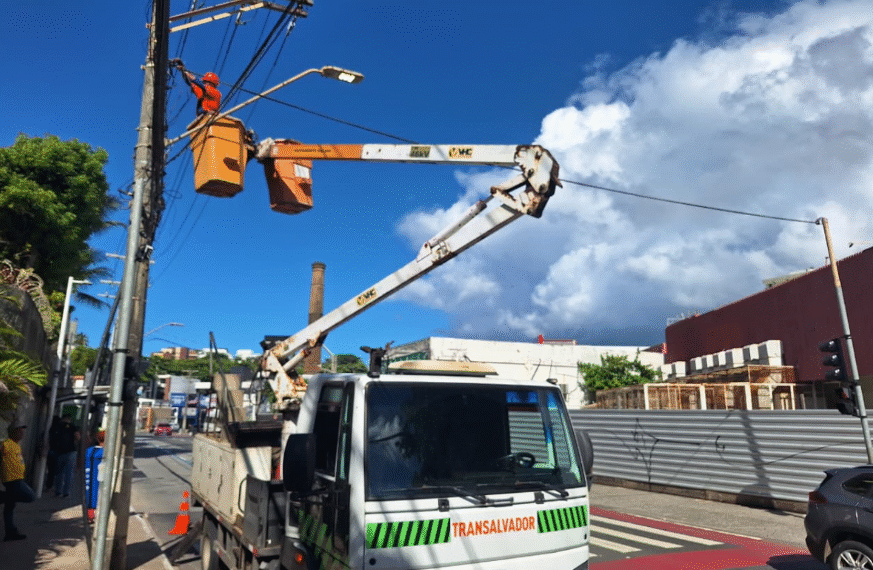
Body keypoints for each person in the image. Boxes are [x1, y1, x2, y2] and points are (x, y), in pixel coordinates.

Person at [1, 423, 35, 541]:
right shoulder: (6, 444)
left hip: (17, 478)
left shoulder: (16, 445)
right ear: (13, 432)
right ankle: (3, 497)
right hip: (12, 479)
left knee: (9, 507)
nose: (22, 434)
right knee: (30, 496)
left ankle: (10, 532)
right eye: (20, 431)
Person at [53, 414, 79, 498]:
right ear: (69, 419)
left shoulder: (57, 426)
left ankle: (58, 491)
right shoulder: (72, 426)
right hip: (71, 451)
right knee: (69, 473)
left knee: (59, 473)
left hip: (59, 452)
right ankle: (66, 492)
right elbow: (78, 437)